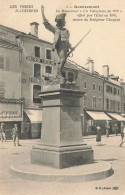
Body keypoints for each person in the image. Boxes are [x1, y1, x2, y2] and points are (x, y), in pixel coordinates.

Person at [41, 5, 72, 82]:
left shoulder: (66, 31)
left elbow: (67, 41)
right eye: (64, 20)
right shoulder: (56, 29)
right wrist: (42, 13)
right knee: (63, 59)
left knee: (63, 61)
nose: (65, 22)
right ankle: (58, 74)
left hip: (65, 48)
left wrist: (71, 47)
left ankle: (58, 74)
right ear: (60, 22)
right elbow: (46, 24)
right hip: (59, 47)